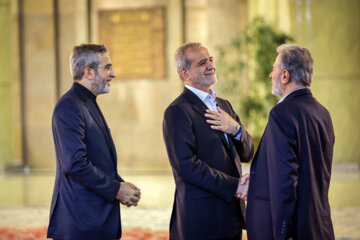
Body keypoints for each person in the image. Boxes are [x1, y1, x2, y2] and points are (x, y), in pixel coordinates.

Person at [47, 44, 141, 240]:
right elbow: (75, 164)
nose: (113, 73)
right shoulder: (69, 106)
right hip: (81, 220)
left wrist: (122, 185)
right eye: (107, 67)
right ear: (88, 72)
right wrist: (116, 190)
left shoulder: (86, 102)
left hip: (93, 217)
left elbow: (96, 159)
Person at [162, 42, 254, 240]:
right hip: (201, 220)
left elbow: (247, 153)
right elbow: (186, 166)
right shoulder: (177, 111)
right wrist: (235, 186)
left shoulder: (224, 105)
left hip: (231, 215)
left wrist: (236, 130)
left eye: (211, 59)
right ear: (185, 73)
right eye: (202, 62)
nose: (211, 65)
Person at [245, 44, 335, 240]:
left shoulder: (281, 114)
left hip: (290, 230)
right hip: (319, 224)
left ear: (284, 76)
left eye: (274, 69)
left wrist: (283, 232)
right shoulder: (322, 113)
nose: (270, 75)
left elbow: (284, 181)